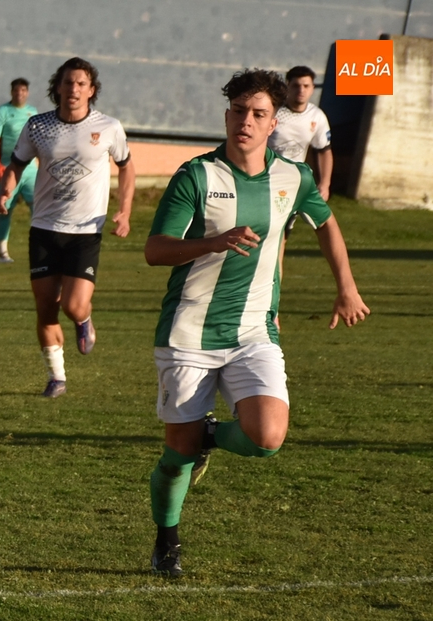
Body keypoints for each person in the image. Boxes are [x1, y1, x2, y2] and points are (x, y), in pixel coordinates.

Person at [143, 69, 369, 577]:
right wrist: (211, 242)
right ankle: (167, 540)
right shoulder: (196, 176)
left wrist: (346, 287)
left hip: (254, 331)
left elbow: (327, 224)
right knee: (175, 457)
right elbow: (155, 251)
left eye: (259, 114)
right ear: (227, 117)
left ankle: (209, 437)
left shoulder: (295, 177)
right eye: (239, 111)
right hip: (188, 333)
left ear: (275, 124)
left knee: (267, 437)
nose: (246, 121)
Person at [0, 57, 135, 398]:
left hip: (85, 230)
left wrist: (124, 211)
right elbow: (16, 164)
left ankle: (83, 320)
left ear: (92, 90)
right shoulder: (38, 126)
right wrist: (6, 190)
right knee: (45, 308)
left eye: (81, 83)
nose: (73, 89)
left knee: (72, 306)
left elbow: (126, 168)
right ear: (57, 87)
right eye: (68, 83)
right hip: (44, 228)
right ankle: (56, 377)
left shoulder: (109, 128)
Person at [0, 77, 38, 264]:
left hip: (30, 170)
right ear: (12, 92)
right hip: (8, 168)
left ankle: (39, 248)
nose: (20, 93)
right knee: (4, 210)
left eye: (23, 90)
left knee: (39, 208)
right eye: (16, 90)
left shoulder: (33, 112)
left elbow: (38, 141)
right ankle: (3, 252)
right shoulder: (2, 112)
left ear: (27, 92)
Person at [267, 66, 332, 201]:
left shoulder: (317, 116)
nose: (301, 90)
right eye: (296, 85)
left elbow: (324, 151)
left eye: (306, 86)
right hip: (266, 176)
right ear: (287, 86)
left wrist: (325, 184)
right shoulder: (273, 111)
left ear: (312, 88)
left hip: (296, 179)